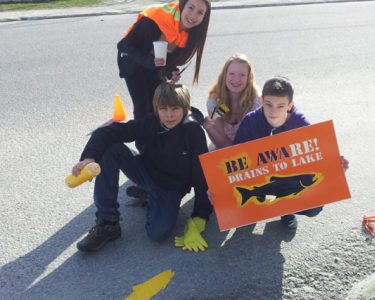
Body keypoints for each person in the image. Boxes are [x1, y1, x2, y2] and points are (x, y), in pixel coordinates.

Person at [73, 82, 212, 253]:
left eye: (175, 109)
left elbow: (201, 173)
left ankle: (151, 196)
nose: (169, 114)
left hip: (170, 187)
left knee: (157, 234)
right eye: (164, 108)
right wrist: (89, 157)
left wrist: (200, 215)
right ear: (156, 109)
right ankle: (108, 223)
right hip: (146, 172)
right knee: (110, 148)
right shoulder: (151, 121)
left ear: (184, 108)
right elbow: (107, 132)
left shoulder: (193, 132)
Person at [233, 76, 349, 232]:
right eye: (269, 104)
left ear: (290, 105)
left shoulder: (301, 124)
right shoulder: (250, 121)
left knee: (314, 208)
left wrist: (337, 168)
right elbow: (233, 160)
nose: (274, 112)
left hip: (290, 180)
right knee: (241, 204)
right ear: (261, 101)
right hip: (260, 177)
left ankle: (286, 210)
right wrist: (218, 189)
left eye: (281, 106)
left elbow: (319, 161)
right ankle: (260, 209)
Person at [117, 0, 211, 152]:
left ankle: (158, 144)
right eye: (191, 8)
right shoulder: (155, 20)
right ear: (182, 6)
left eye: (200, 12)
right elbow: (126, 45)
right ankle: (143, 148)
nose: (193, 16)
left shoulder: (189, 34)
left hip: (154, 66)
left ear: (204, 17)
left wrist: (171, 71)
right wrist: (150, 62)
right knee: (142, 105)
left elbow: (167, 60)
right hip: (133, 63)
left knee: (158, 106)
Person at [203, 54, 260, 150]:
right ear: (225, 75)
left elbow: (258, 136)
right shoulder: (217, 101)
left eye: (242, 75)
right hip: (225, 150)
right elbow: (221, 142)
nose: (236, 79)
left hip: (250, 149)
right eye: (231, 74)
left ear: (248, 78)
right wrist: (209, 128)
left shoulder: (255, 101)